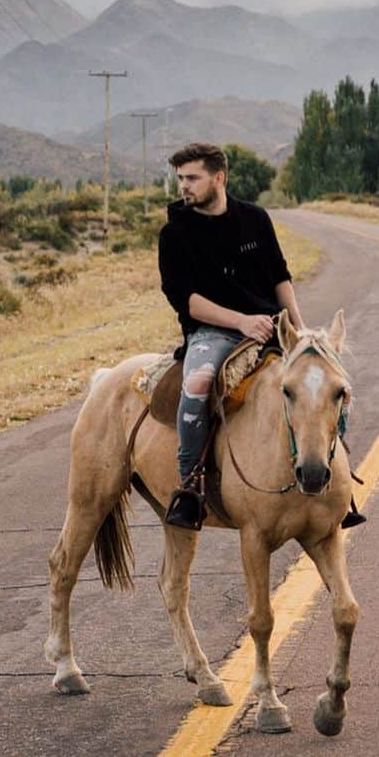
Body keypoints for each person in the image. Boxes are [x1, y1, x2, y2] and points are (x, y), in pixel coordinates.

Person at [157, 142, 303, 528]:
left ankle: (334, 482)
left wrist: (299, 331)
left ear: (218, 178)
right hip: (212, 332)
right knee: (198, 383)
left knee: (324, 379)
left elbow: (279, 277)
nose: (183, 187)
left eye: (192, 178)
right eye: (180, 179)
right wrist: (240, 321)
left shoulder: (255, 219)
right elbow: (185, 300)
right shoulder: (175, 233)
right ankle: (190, 488)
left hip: (272, 326)